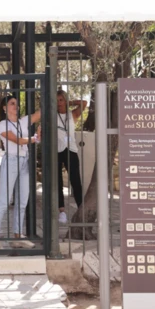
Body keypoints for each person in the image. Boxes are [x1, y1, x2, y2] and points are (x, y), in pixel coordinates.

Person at [0, 95, 41, 249]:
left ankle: (18, 235)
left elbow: (41, 113)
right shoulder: (3, 124)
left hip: (24, 160)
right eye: (11, 104)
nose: (15, 106)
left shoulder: (23, 121)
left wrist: (47, 92)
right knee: (4, 199)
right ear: (4, 108)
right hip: (11, 161)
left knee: (22, 200)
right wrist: (34, 138)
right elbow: (16, 140)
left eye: (16, 104)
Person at [56, 90, 87, 224]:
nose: (59, 103)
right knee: (57, 182)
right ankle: (61, 212)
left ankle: (81, 209)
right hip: (57, 150)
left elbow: (84, 103)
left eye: (61, 100)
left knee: (75, 181)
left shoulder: (72, 114)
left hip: (71, 150)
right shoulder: (53, 115)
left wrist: (70, 102)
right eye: (57, 100)